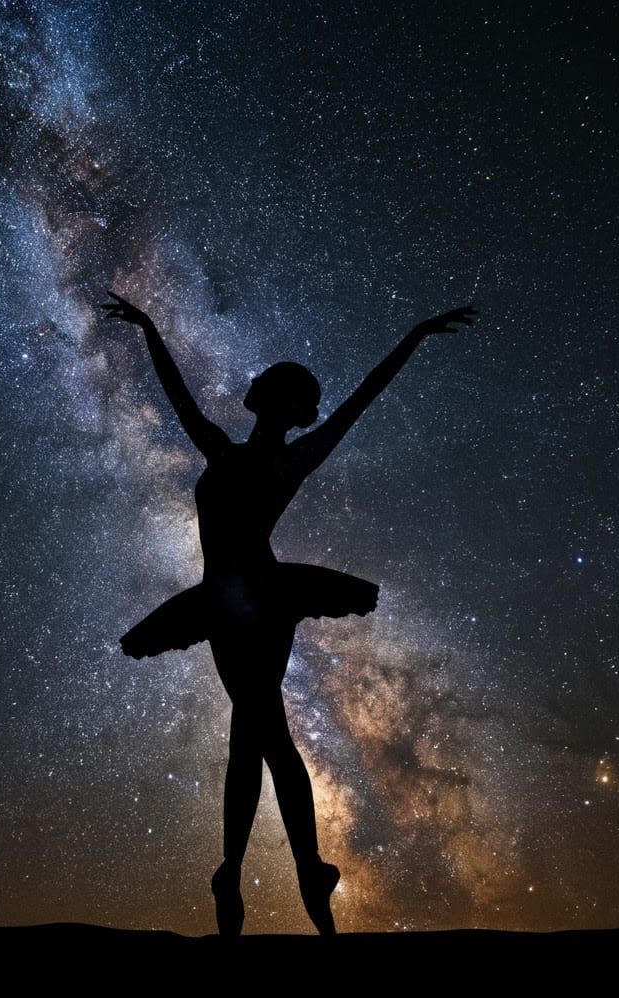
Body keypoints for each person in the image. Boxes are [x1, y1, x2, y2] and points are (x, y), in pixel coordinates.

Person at [102, 289, 477, 936]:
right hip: (236, 601)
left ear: (279, 405)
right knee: (258, 732)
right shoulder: (228, 450)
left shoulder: (264, 456)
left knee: (258, 728)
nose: (280, 399)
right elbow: (178, 398)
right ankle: (294, 872)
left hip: (253, 600)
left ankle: (254, 872)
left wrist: (415, 337)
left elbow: (364, 397)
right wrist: (149, 330)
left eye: (285, 392)